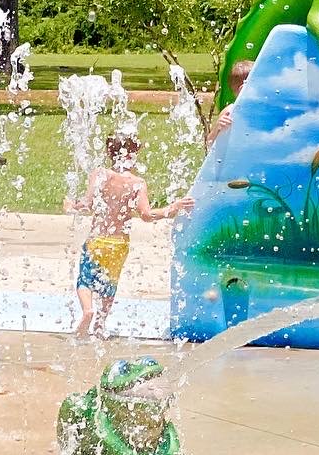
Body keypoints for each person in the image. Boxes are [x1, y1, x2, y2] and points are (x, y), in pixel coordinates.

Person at [65, 132, 193, 338]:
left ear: (110, 153)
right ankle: (99, 325)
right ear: (131, 154)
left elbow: (86, 205)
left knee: (85, 280)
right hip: (119, 243)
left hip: (97, 239)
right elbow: (147, 215)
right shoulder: (137, 183)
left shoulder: (99, 174)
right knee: (110, 283)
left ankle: (88, 310)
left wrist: (71, 205)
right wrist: (175, 206)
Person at [204, 59, 252, 148]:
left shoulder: (261, 107)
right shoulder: (230, 111)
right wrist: (218, 127)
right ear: (243, 89)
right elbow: (208, 144)